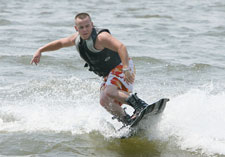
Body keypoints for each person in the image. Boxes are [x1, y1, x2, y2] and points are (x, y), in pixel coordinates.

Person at [31, 13, 149, 126]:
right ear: (76, 28)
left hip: (121, 66)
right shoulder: (76, 39)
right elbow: (61, 43)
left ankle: (141, 106)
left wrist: (125, 68)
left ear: (92, 24)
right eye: (81, 27)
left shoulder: (101, 37)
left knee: (109, 91)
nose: (85, 30)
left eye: (87, 26)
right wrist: (40, 50)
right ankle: (127, 120)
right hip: (109, 73)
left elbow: (121, 47)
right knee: (103, 100)